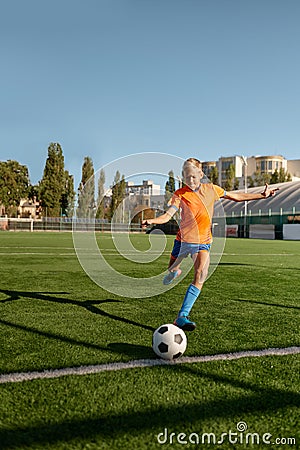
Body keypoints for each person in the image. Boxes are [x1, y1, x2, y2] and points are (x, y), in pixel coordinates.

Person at [142, 157, 279, 331]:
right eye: (186, 176)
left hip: (203, 242)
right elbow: (168, 215)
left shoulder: (211, 189)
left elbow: (235, 196)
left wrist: (261, 195)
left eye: (193, 176)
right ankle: (174, 272)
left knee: (200, 275)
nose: (190, 180)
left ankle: (182, 316)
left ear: (200, 174)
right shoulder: (180, 194)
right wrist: (153, 220)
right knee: (171, 269)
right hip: (182, 240)